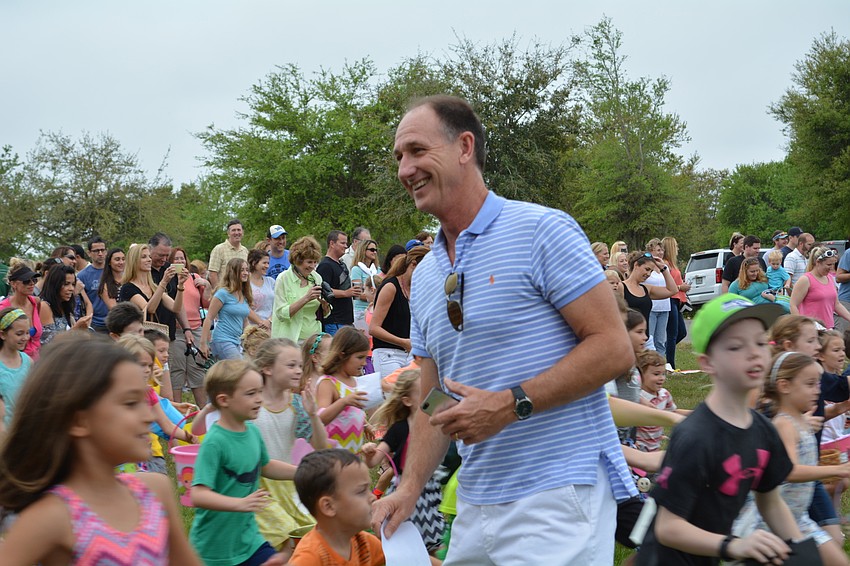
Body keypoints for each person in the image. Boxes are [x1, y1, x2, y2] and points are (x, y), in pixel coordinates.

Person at [373, 95, 635, 564]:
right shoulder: (426, 274)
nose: (404, 170)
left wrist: (510, 404)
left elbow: (614, 348)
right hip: (474, 502)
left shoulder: (541, 230)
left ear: (464, 147)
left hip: (558, 495)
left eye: (416, 151)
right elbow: (433, 397)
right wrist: (409, 488)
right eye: (399, 158)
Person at [0, 337, 201, 565]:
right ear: (79, 421)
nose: (148, 416)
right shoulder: (54, 517)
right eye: (130, 403)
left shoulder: (155, 490)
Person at [635, 294, 802, 565]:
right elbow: (668, 527)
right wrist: (733, 545)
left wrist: (802, 553)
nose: (754, 353)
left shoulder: (763, 430)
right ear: (707, 363)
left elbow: (770, 502)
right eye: (736, 346)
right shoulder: (695, 436)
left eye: (760, 342)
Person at [742, 352, 850, 566]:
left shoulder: (799, 419)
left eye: (818, 384)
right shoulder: (784, 424)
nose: (817, 390)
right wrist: (839, 469)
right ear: (784, 386)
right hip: (772, 525)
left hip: (799, 519)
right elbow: (789, 471)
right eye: (810, 384)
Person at [189, 359, 297, 566]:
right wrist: (240, 503)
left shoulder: (253, 432)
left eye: (260, 391)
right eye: (251, 394)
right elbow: (198, 494)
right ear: (224, 400)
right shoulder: (214, 441)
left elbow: (265, 466)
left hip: (249, 539)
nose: (259, 399)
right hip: (215, 548)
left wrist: (300, 472)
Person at [252, 338, 329, 550]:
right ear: (267, 368)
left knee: (313, 537)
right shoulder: (251, 404)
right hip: (258, 488)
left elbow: (321, 447)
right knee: (288, 540)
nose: (298, 371)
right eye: (291, 365)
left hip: (288, 485)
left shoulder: (296, 403)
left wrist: (313, 415)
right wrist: (304, 473)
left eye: (300, 365)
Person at [362, 369, 446, 552]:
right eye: (423, 392)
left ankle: (429, 557)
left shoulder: (436, 423)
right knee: (403, 536)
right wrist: (369, 453)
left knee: (431, 538)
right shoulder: (399, 428)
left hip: (429, 488)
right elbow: (374, 460)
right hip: (402, 488)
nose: (429, 396)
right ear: (407, 401)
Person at [289, 449, 384, 566]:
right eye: (361, 491)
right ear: (328, 506)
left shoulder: (366, 543)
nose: (373, 497)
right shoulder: (309, 559)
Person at [369, 246, 430, 379]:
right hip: (387, 354)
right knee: (394, 391)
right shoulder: (390, 287)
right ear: (413, 264)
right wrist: (403, 342)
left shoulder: (416, 289)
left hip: (410, 354)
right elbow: (373, 328)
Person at [200, 258, 269, 361]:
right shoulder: (223, 293)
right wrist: (203, 343)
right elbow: (209, 318)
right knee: (239, 367)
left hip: (236, 341)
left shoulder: (243, 295)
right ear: (233, 273)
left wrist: (254, 337)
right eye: (242, 270)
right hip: (223, 340)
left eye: (247, 270)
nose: (245, 273)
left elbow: (245, 322)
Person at [317, 326, 371, 453]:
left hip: (353, 453)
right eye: (360, 357)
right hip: (333, 455)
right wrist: (343, 402)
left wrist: (365, 424)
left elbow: (351, 411)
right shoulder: (328, 383)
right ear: (342, 355)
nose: (364, 363)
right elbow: (320, 419)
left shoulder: (355, 381)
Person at [168, 246, 210, 406]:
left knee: (197, 369)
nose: (180, 261)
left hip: (196, 328)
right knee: (177, 371)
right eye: (176, 259)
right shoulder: (169, 279)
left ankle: (203, 412)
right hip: (177, 330)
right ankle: (177, 412)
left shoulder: (194, 277)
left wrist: (207, 285)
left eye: (182, 258)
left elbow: (206, 303)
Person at [118, 243, 186, 336]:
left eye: (149, 256)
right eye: (144, 257)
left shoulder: (153, 286)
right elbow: (150, 309)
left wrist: (180, 285)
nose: (149, 260)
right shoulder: (128, 288)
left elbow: (176, 308)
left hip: (159, 337)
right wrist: (164, 282)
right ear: (134, 261)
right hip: (139, 338)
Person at [272, 236, 332, 343]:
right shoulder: (283, 279)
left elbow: (325, 314)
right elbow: (281, 314)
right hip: (289, 340)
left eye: (315, 262)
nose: (313, 266)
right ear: (298, 261)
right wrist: (306, 298)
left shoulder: (316, 278)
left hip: (313, 338)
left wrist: (325, 305)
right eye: (309, 262)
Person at [623, 251, 677, 350]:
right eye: (647, 269)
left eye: (651, 271)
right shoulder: (621, 287)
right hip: (627, 341)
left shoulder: (646, 289)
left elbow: (673, 290)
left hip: (646, 341)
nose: (648, 274)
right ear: (636, 265)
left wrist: (663, 268)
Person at [634, 350, 682, 452]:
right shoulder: (638, 397)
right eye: (656, 374)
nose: (661, 378)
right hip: (637, 449)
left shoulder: (664, 395)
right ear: (641, 375)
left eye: (663, 374)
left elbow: (673, 412)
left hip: (655, 448)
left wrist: (695, 413)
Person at [790, 247, 850, 329]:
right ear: (818, 262)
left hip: (828, 327)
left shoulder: (829, 278)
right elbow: (793, 305)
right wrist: (800, 326)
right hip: (811, 328)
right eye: (828, 265)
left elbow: (836, 304)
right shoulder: (806, 279)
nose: (831, 268)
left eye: (833, 264)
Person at [317, 230, 361, 335]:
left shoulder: (341, 264)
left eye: (346, 243)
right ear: (332, 243)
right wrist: (345, 293)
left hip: (346, 321)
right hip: (334, 322)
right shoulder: (325, 265)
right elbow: (323, 291)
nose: (346, 246)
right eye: (342, 243)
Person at [38, 264, 92, 344]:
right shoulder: (44, 306)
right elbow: (49, 341)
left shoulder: (64, 304)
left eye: (73, 284)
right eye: (66, 284)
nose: (71, 289)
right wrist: (76, 329)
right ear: (55, 284)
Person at [0, 262, 43, 360]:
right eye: (26, 281)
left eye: (34, 280)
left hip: (36, 361)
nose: (32, 283)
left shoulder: (35, 302)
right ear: (13, 284)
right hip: (14, 362)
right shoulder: (3, 308)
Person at [0, 308, 32, 428]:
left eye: (27, 332)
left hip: (24, 429)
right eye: (19, 334)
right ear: (3, 334)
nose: (25, 338)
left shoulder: (28, 361)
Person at [661, 236, 690, 370]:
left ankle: (663, 352)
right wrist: (680, 287)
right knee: (672, 333)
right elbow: (665, 284)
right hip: (670, 298)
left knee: (681, 332)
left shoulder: (673, 264)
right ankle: (670, 364)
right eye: (676, 246)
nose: (677, 249)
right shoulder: (665, 264)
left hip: (677, 299)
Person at [77, 236, 110, 332]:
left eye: (102, 250)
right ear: (89, 253)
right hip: (95, 323)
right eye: (96, 251)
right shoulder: (82, 275)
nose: (100, 254)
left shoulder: (114, 271)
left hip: (115, 320)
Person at [208, 218, 249, 288]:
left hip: (241, 291)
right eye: (233, 230)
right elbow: (212, 274)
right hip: (225, 291)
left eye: (239, 230)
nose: (236, 233)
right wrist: (219, 291)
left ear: (243, 232)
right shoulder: (219, 249)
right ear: (228, 233)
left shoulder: (245, 251)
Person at [350, 239, 380, 322]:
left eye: (376, 250)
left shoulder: (378, 270)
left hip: (376, 309)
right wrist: (377, 298)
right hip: (361, 311)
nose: (375, 252)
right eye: (372, 250)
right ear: (363, 250)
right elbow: (357, 295)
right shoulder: (356, 269)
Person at [248, 249, 275, 322]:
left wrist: (269, 321)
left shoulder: (271, 282)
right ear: (254, 263)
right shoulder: (245, 283)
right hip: (251, 325)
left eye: (268, 263)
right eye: (264, 263)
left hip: (270, 324)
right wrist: (260, 322)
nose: (267, 266)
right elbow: (244, 307)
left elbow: (277, 304)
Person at [97, 247, 125, 312]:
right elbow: (114, 308)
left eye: (123, 259)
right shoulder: (105, 285)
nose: (121, 262)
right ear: (109, 262)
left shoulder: (129, 279)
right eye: (117, 259)